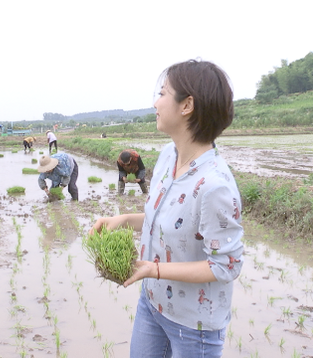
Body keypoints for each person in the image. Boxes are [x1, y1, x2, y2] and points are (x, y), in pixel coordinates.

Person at [89, 60, 244, 358]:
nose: (155, 102)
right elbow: (167, 221)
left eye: (162, 93)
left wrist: (153, 269)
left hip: (193, 324)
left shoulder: (215, 185)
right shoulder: (166, 157)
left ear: (186, 105)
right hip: (153, 303)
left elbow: (227, 265)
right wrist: (122, 220)